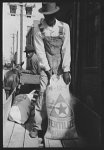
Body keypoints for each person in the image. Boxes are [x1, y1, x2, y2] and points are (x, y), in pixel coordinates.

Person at [29, 2, 71, 138]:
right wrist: (47, 70)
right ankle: (37, 125)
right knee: (43, 92)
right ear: (43, 15)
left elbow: (66, 49)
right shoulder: (39, 29)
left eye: (52, 15)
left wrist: (66, 70)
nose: (49, 18)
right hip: (46, 66)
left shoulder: (64, 28)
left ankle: (61, 126)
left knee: (62, 96)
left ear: (56, 14)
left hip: (61, 66)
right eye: (47, 15)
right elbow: (40, 52)